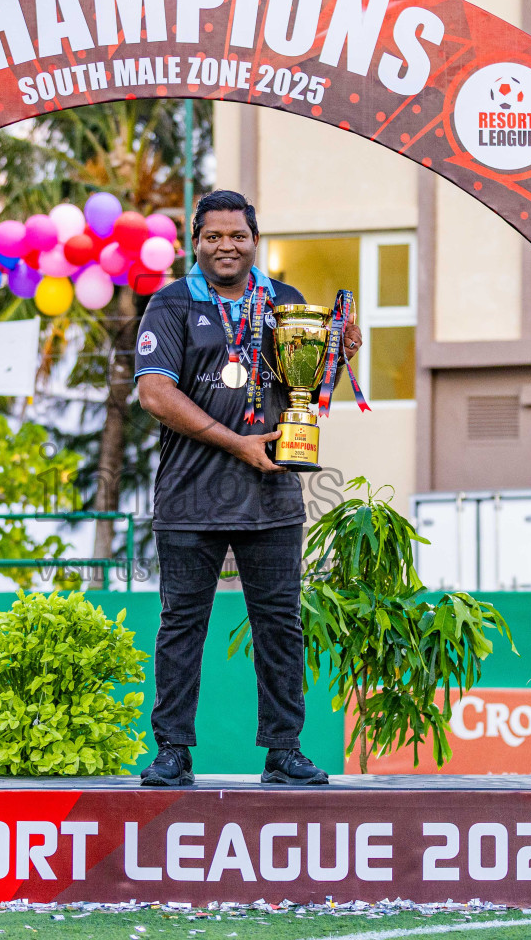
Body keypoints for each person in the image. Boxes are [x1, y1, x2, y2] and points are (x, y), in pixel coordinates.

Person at [132, 190, 362, 787]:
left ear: (254, 240)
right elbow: (155, 393)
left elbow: (304, 385)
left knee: (281, 626)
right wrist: (237, 443)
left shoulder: (284, 301)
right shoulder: (173, 303)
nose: (226, 246)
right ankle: (173, 751)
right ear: (196, 241)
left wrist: (338, 353)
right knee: (182, 626)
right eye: (214, 236)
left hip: (273, 495)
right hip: (190, 497)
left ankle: (284, 751)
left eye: (237, 236)